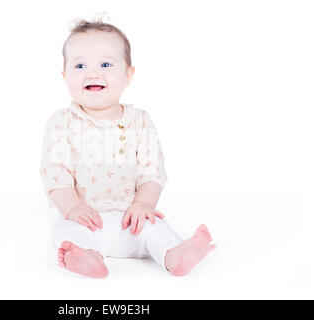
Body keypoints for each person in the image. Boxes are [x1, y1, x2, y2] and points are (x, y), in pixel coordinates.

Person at [39, 19, 216, 278]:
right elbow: (54, 173)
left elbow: (152, 170)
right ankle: (88, 258)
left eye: (106, 64)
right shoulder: (62, 121)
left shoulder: (139, 121)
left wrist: (144, 203)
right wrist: (73, 208)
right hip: (85, 218)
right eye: (79, 65)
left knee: (156, 227)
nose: (92, 73)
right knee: (65, 231)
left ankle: (174, 255)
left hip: (131, 218)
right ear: (66, 76)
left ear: (128, 75)